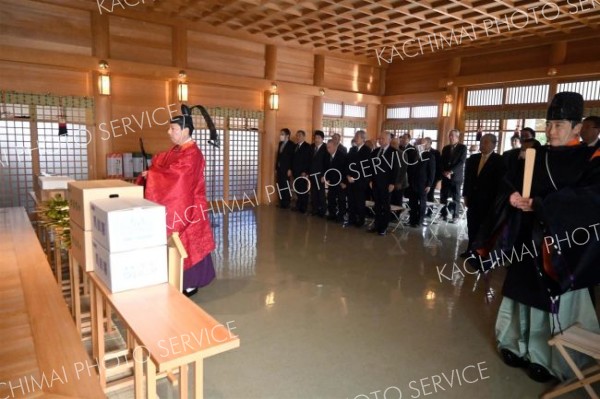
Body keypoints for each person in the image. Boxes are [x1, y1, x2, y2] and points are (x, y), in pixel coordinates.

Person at [474, 92, 599, 383]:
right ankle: (513, 344)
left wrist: (542, 205)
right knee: (519, 295)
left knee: (549, 301)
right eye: (549, 124)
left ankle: (549, 359)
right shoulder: (536, 154)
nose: (551, 131)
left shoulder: (590, 158)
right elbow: (510, 183)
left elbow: (591, 198)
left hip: (560, 247)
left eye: (559, 125)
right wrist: (513, 196)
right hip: (525, 240)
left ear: (577, 128)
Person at [140, 108, 215, 297]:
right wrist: (153, 171)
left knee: (188, 242)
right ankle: (176, 277)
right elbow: (163, 161)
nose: (169, 132)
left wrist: (154, 176)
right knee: (177, 242)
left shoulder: (193, 154)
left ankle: (190, 283)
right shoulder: (178, 150)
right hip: (180, 202)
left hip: (189, 205)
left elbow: (179, 176)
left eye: (172, 128)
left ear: (185, 131)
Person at [461, 134, 504, 256]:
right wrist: (465, 196)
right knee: (471, 225)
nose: (482, 144)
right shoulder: (473, 159)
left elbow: (499, 184)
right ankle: (470, 249)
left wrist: (496, 203)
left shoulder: (499, 160)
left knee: (484, 228)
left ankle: (481, 252)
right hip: (473, 199)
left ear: (493, 144)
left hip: (488, 201)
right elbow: (467, 179)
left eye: (485, 142)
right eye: (481, 142)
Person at [368, 131, 398, 236]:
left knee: (385, 206)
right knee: (377, 205)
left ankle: (383, 227)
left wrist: (392, 183)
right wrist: (371, 180)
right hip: (376, 182)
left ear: (389, 140)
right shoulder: (375, 151)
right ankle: (376, 225)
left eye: (383, 139)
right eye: (379, 138)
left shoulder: (394, 152)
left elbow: (395, 169)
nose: (380, 140)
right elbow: (371, 167)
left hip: (387, 183)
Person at [405, 138, 435, 227]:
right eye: (419, 144)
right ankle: (412, 220)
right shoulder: (414, 154)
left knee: (422, 203)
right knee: (412, 202)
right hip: (412, 182)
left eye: (423, 144)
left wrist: (429, 184)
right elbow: (409, 168)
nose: (420, 146)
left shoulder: (429, 156)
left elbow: (432, 171)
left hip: (423, 183)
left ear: (427, 145)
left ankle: (419, 221)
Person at [439, 129, 467, 223]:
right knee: (443, 196)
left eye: (452, 135)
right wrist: (444, 172)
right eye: (449, 135)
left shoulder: (462, 147)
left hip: (456, 177)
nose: (450, 137)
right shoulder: (446, 148)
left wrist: (450, 171)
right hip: (445, 176)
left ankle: (455, 216)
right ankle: (443, 214)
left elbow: (461, 162)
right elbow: (442, 161)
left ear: (457, 137)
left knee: (456, 197)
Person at [345, 130, 371, 228]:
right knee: (351, 201)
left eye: (357, 137)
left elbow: (366, 167)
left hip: (361, 181)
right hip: (350, 180)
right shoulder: (352, 150)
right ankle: (351, 219)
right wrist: (347, 175)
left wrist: (356, 177)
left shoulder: (367, 150)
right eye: (355, 136)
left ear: (363, 139)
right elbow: (347, 164)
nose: (355, 138)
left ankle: (360, 221)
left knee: (359, 202)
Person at [324, 139, 347, 222]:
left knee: (341, 199)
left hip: (340, 182)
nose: (328, 149)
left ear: (334, 146)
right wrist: (326, 178)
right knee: (331, 198)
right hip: (332, 181)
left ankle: (341, 216)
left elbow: (345, 170)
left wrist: (344, 181)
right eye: (327, 147)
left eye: (329, 147)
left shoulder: (342, 155)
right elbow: (327, 168)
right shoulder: (327, 156)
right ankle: (332, 214)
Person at [291, 130, 312, 213]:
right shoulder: (295, 146)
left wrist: (305, 171)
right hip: (295, 172)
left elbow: (309, 160)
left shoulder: (308, 146)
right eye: (297, 135)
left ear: (304, 136)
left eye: (299, 135)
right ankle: (298, 205)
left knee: (303, 190)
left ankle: (304, 207)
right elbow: (293, 159)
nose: (298, 137)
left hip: (303, 173)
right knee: (297, 189)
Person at [309, 130, 328, 217]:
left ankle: (323, 211)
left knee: (321, 193)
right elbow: (308, 161)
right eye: (315, 137)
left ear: (322, 139)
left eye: (318, 138)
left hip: (320, 175)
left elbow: (326, 163)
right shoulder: (312, 146)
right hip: (312, 174)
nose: (316, 139)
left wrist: (324, 175)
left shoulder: (325, 148)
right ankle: (314, 210)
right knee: (313, 193)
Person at [275, 128, 295, 209]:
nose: (281, 136)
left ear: (287, 135)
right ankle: (281, 202)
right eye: (281, 134)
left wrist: (290, 169)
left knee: (286, 185)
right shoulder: (280, 143)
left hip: (286, 169)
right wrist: (276, 168)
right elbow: (278, 157)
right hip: (280, 168)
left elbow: (292, 158)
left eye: (282, 134)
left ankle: (286, 202)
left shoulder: (291, 144)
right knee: (280, 185)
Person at [427, 139, 442, 204]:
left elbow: (438, 166)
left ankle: (430, 211)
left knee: (430, 194)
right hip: (423, 177)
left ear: (430, 143)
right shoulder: (420, 151)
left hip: (433, 176)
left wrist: (439, 178)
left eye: (425, 143)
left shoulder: (436, 152)